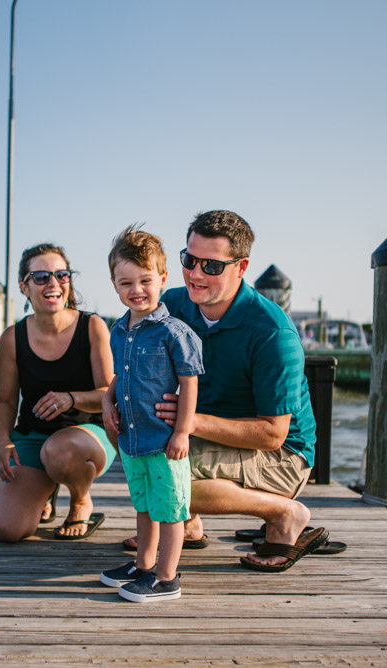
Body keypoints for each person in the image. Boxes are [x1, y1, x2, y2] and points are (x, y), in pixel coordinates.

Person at [108, 210, 327, 572]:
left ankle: (285, 512)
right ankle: (186, 523)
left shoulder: (273, 333)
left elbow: (273, 434)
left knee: (169, 471)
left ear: (241, 267)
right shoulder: (174, 303)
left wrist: (189, 421)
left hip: (283, 457)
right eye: (189, 260)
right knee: (132, 435)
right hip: (205, 433)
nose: (195, 274)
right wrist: (107, 399)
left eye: (211, 266)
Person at [99, 225, 203, 602]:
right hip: (132, 439)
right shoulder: (118, 330)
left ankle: (166, 578)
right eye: (126, 282)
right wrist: (107, 401)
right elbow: (120, 374)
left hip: (163, 442)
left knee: (170, 510)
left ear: (163, 278)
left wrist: (182, 432)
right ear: (114, 284)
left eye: (145, 280)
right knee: (143, 506)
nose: (137, 290)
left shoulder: (174, 332)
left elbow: (189, 383)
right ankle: (143, 566)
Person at [0, 243, 117, 542]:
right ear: (25, 287)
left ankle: (80, 500)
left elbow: (108, 394)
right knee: (7, 529)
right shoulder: (12, 338)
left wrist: (71, 398)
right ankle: (47, 489)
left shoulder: (92, 326)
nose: (53, 283)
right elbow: (5, 401)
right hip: (34, 436)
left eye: (61, 274)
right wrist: (4, 441)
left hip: (88, 436)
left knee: (59, 451)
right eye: (41, 276)